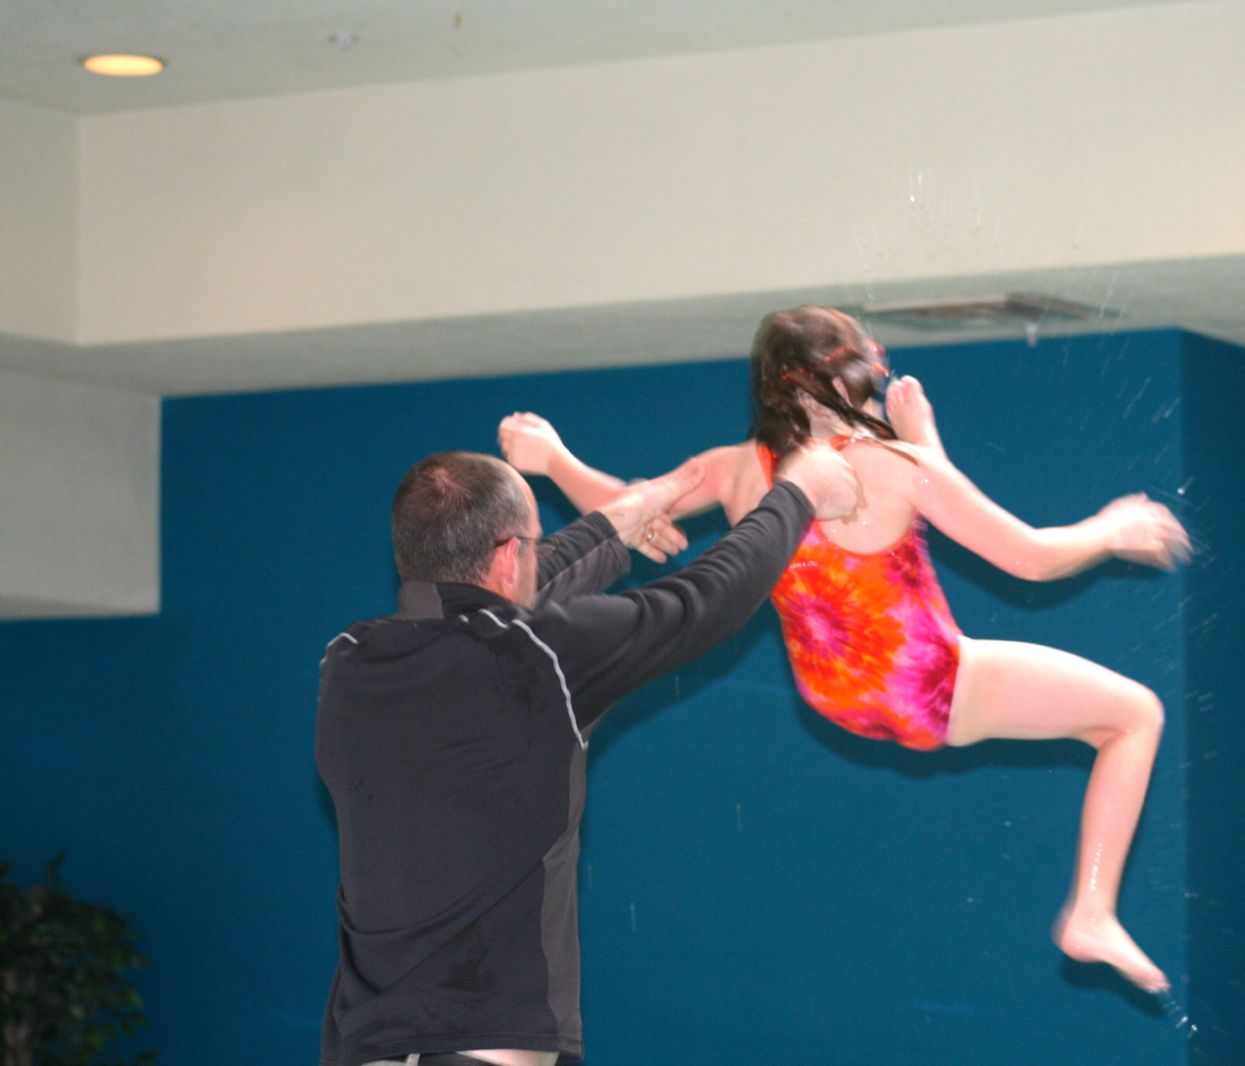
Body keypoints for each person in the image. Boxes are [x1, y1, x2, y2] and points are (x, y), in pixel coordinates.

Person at [498, 304, 1192, 995]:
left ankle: (1095, 915)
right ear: (829, 383)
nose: (878, 381)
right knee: (1134, 716)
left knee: (1103, 721)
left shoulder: (740, 469)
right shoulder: (897, 466)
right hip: (930, 685)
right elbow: (1031, 558)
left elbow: (629, 506)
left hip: (834, 695)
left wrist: (555, 459)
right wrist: (1111, 531)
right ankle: (1092, 912)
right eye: (869, 368)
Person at [316, 444, 862, 1066]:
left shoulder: (349, 662)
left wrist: (618, 524)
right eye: (531, 542)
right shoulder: (539, 657)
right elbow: (707, 597)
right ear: (508, 556)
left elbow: (485, 604)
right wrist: (797, 493)